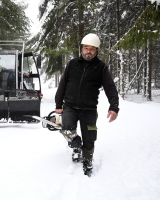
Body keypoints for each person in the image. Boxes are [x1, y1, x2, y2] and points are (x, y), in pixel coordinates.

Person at [55, 33, 119, 176]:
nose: (88, 51)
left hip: (89, 109)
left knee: (90, 136)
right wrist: (59, 104)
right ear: (81, 49)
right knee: (67, 129)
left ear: (96, 51)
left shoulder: (101, 68)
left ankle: (87, 159)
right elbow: (62, 84)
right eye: (86, 48)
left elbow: (110, 87)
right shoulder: (72, 64)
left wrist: (114, 107)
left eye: (92, 49)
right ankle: (76, 147)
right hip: (70, 106)